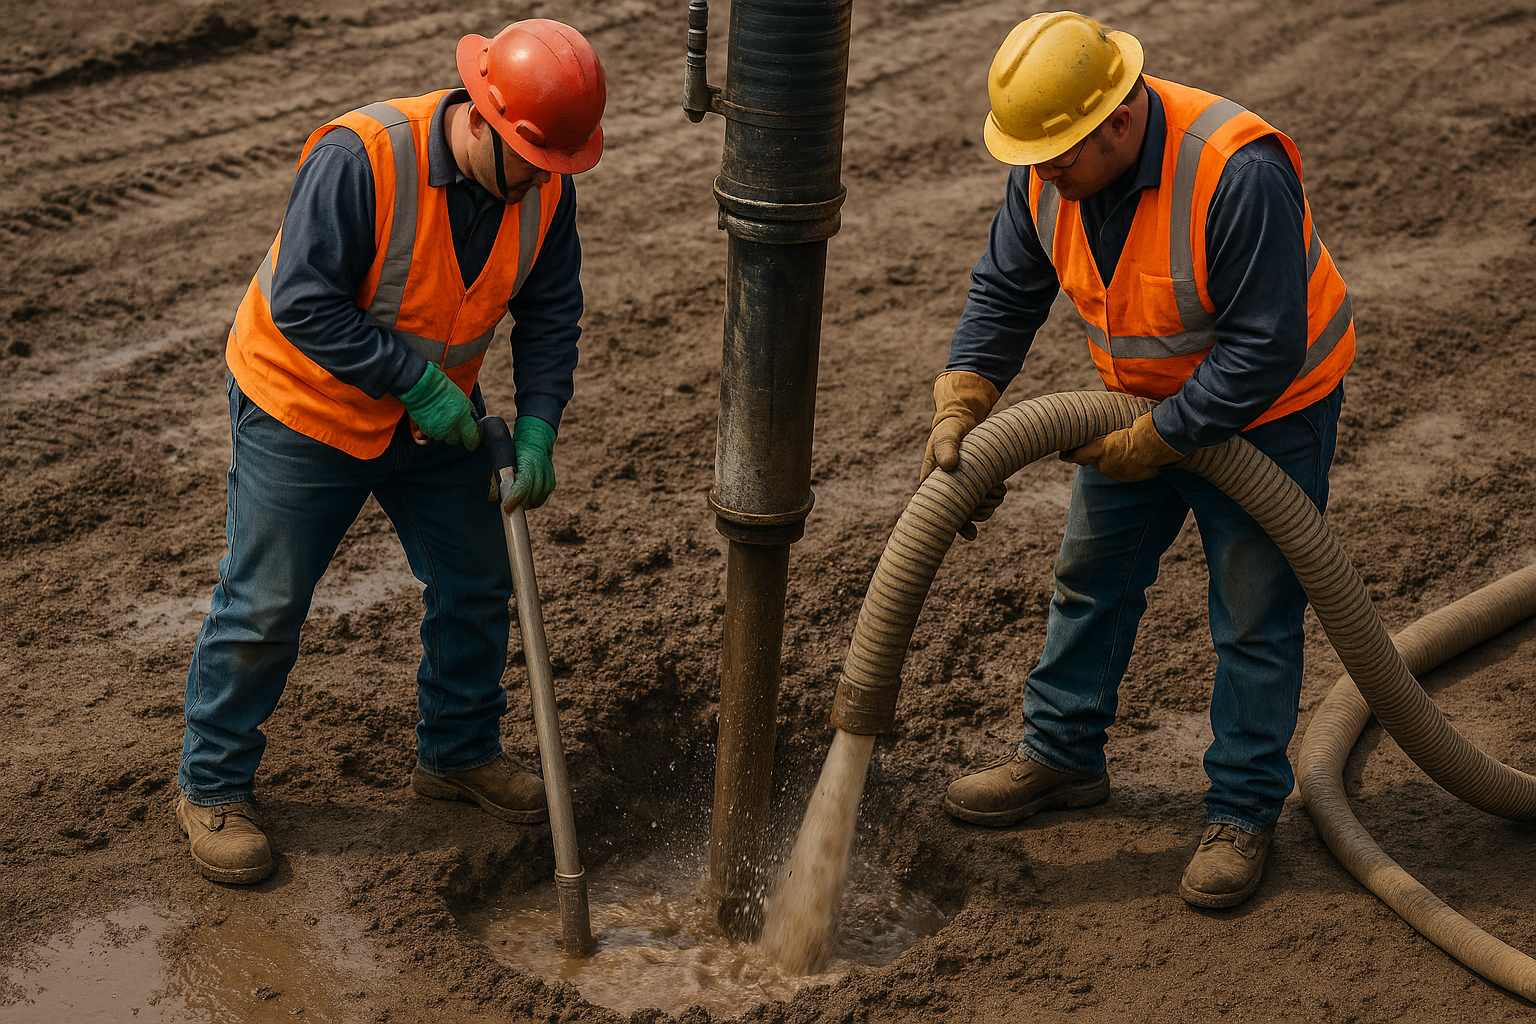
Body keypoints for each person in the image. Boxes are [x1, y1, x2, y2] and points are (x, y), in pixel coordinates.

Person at [928, 12, 1354, 908]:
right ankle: (1062, 755)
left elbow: (1261, 349)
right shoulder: (1049, 170)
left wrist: (1160, 439)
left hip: (1271, 412)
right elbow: (1009, 288)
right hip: (1139, 402)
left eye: (1059, 155)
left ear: (1118, 121)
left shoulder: (1237, 172)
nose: (1042, 173)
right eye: (1034, 156)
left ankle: (1242, 809)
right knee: (1093, 573)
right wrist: (964, 395)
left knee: (1252, 612)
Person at [174, 20, 607, 884]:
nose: (542, 185)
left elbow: (552, 311)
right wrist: (417, 383)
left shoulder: (545, 182)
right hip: (305, 405)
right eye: (532, 163)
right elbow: (303, 299)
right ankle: (212, 785)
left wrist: (539, 422)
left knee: (479, 581)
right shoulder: (362, 156)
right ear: (482, 120)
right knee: (265, 603)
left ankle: (455, 754)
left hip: (436, 415)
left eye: (557, 168)